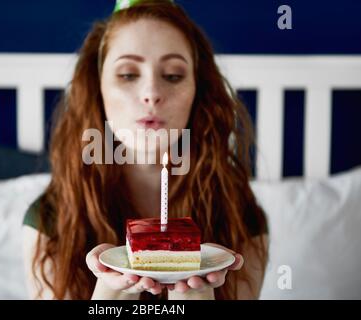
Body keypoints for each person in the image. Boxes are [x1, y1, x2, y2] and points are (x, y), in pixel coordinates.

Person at [22, 0, 269, 300]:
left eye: (173, 75)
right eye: (128, 74)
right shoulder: (51, 221)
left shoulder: (239, 216)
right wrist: (112, 296)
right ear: (97, 88)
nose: (152, 93)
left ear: (197, 91)